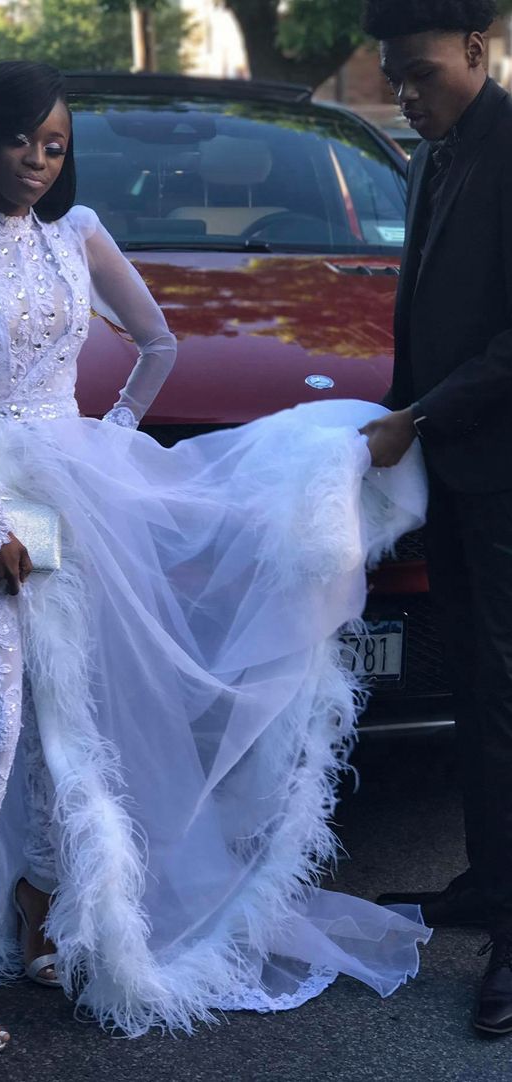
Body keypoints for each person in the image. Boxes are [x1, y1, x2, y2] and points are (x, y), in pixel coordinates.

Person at [0, 60, 431, 1081]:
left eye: (55, 146)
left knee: (69, 708)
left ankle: (40, 902)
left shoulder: (77, 233)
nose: (38, 161)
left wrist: (108, 439)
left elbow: (156, 343)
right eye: (21, 140)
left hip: (72, 486)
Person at [360, 0, 512, 1037]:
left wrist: (418, 418)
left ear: (475, 49)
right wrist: (399, 419)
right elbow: (424, 316)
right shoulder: (432, 156)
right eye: (393, 80)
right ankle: (487, 883)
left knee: (504, 699)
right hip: (451, 474)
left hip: (502, 472)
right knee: (470, 686)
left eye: (420, 74)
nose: (406, 97)